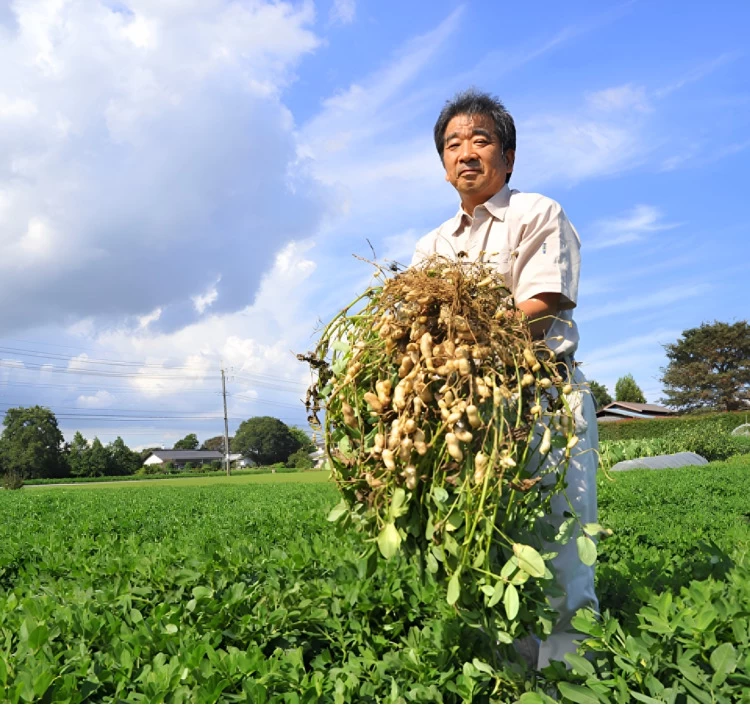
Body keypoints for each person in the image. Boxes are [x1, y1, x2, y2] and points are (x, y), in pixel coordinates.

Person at [411, 89, 599, 669]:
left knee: (561, 541)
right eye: (453, 144)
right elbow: (418, 326)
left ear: (509, 157)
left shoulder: (537, 213)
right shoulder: (432, 245)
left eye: (481, 140)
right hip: (475, 415)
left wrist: (467, 342)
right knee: (493, 538)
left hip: (545, 401)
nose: (466, 153)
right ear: (444, 166)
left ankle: (571, 675)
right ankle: (517, 671)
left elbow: (544, 298)